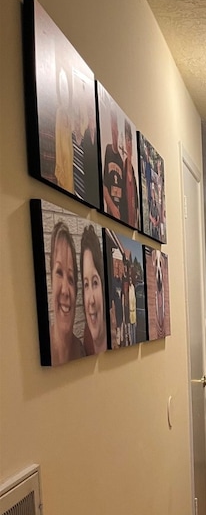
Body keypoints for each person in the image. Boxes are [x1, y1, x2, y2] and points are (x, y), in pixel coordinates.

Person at [48, 221, 85, 365]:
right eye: (58, 272)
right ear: (51, 279)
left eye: (70, 279)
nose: (65, 290)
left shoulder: (82, 351)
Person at [80, 225, 107, 355]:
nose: (90, 300)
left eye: (95, 283)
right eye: (86, 284)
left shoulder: (116, 335)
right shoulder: (85, 339)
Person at [103, 101, 124, 219]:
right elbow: (104, 185)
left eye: (115, 125)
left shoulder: (122, 160)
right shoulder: (108, 150)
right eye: (112, 124)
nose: (114, 129)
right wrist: (111, 206)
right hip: (110, 214)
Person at [54, 67, 74, 193]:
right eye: (62, 89)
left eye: (66, 89)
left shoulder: (69, 119)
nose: (64, 93)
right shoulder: (59, 115)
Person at [122, 121, 139, 228]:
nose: (129, 144)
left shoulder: (133, 175)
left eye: (130, 141)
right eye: (127, 140)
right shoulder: (121, 170)